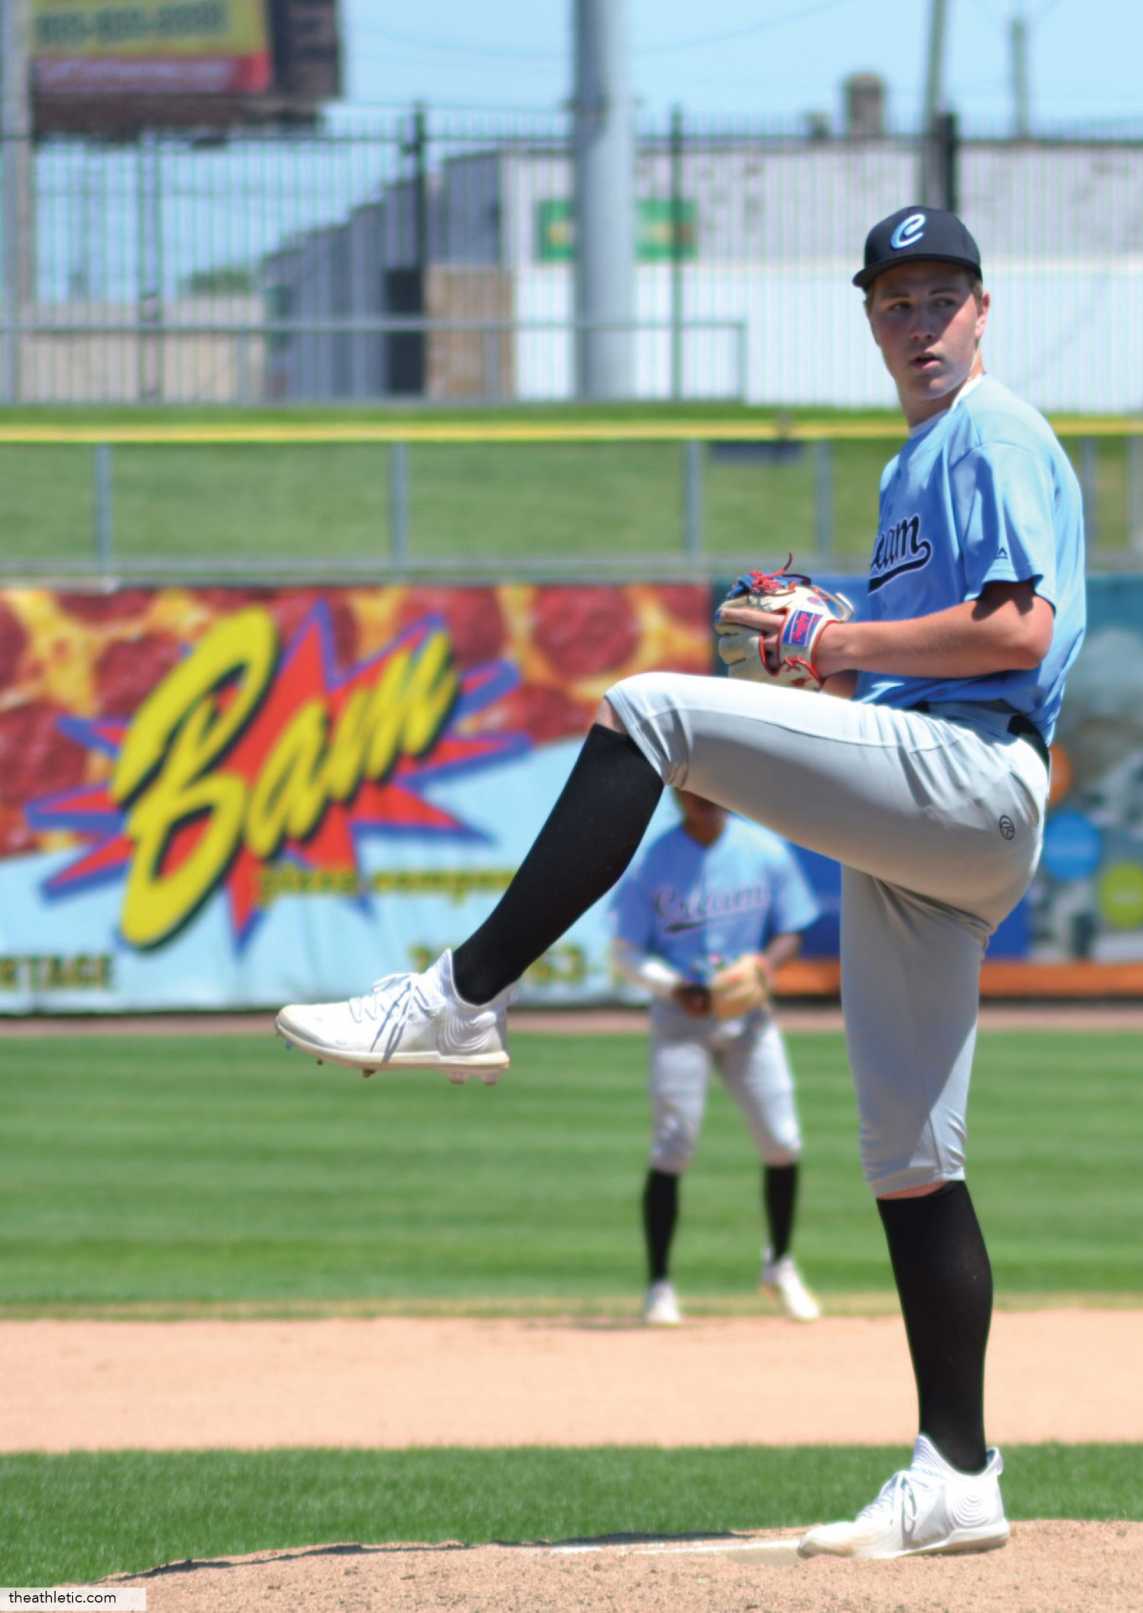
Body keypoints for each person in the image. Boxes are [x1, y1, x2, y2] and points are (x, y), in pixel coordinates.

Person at [276, 203, 1086, 1561]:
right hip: (933, 812)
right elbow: (896, 644)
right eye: (895, 299)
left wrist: (838, 637)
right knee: (910, 1160)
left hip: (975, 772)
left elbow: (1020, 625)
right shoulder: (914, 470)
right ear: (872, 318)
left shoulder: (991, 432)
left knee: (652, 710)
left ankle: (459, 995)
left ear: (984, 311)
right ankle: (959, 1471)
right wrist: (817, 621)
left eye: (943, 295)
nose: (920, 320)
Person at [609, 788, 823, 1327]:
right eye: (693, 793)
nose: (705, 800)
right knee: (673, 1146)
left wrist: (764, 969)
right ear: (678, 797)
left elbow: (793, 926)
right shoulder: (654, 860)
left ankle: (781, 1263)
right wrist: (672, 985)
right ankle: (659, 1285)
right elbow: (625, 951)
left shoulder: (762, 849)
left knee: (782, 1139)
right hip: (682, 1017)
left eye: (713, 791)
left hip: (748, 1016)